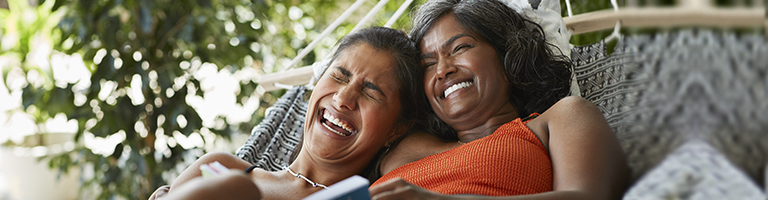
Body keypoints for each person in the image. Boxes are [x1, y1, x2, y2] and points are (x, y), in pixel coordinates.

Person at [368, 0, 630, 199]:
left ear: (508, 55)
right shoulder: (402, 147)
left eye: (460, 48)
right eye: (428, 64)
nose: (442, 70)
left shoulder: (560, 119)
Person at [158, 26, 425, 199]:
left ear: (397, 129)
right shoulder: (221, 168)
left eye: (370, 92)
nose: (343, 98)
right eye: (339, 77)